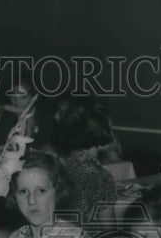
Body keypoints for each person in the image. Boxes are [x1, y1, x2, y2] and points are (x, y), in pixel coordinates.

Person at [48, 96, 119, 225]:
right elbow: (110, 233)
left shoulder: (63, 163)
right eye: (110, 128)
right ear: (99, 131)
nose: (113, 134)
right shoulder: (99, 178)